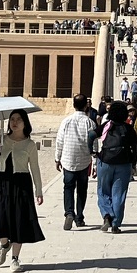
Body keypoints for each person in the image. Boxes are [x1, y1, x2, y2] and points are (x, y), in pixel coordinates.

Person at [0, 110, 44, 273]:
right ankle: (5, 244)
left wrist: (38, 191)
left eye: (19, 119)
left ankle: (15, 258)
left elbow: (35, 168)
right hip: (3, 184)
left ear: (25, 123)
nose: (15, 122)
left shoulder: (29, 144)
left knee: (19, 221)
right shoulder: (3, 140)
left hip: (22, 184)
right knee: (2, 219)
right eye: (12, 119)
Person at [95, 101, 137, 233]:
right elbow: (135, 147)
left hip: (105, 161)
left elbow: (91, 135)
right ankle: (115, 224)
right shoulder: (128, 128)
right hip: (124, 163)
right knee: (119, 195)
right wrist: (133, 163)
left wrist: (91, 151)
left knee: (103, 191)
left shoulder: (107, 126)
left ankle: (107, 214)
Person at [55, 94, 97, 231]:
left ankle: (69, 213)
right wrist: (95, 162)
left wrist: (57, 158)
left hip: (68, 159)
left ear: (74, 105)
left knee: (68, 188)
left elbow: (59, 141)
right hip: (84, 161)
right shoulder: (90, 122)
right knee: (81, 190)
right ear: (86, 106)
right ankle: (79, 218)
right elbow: (94, 143)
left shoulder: (66, 121)